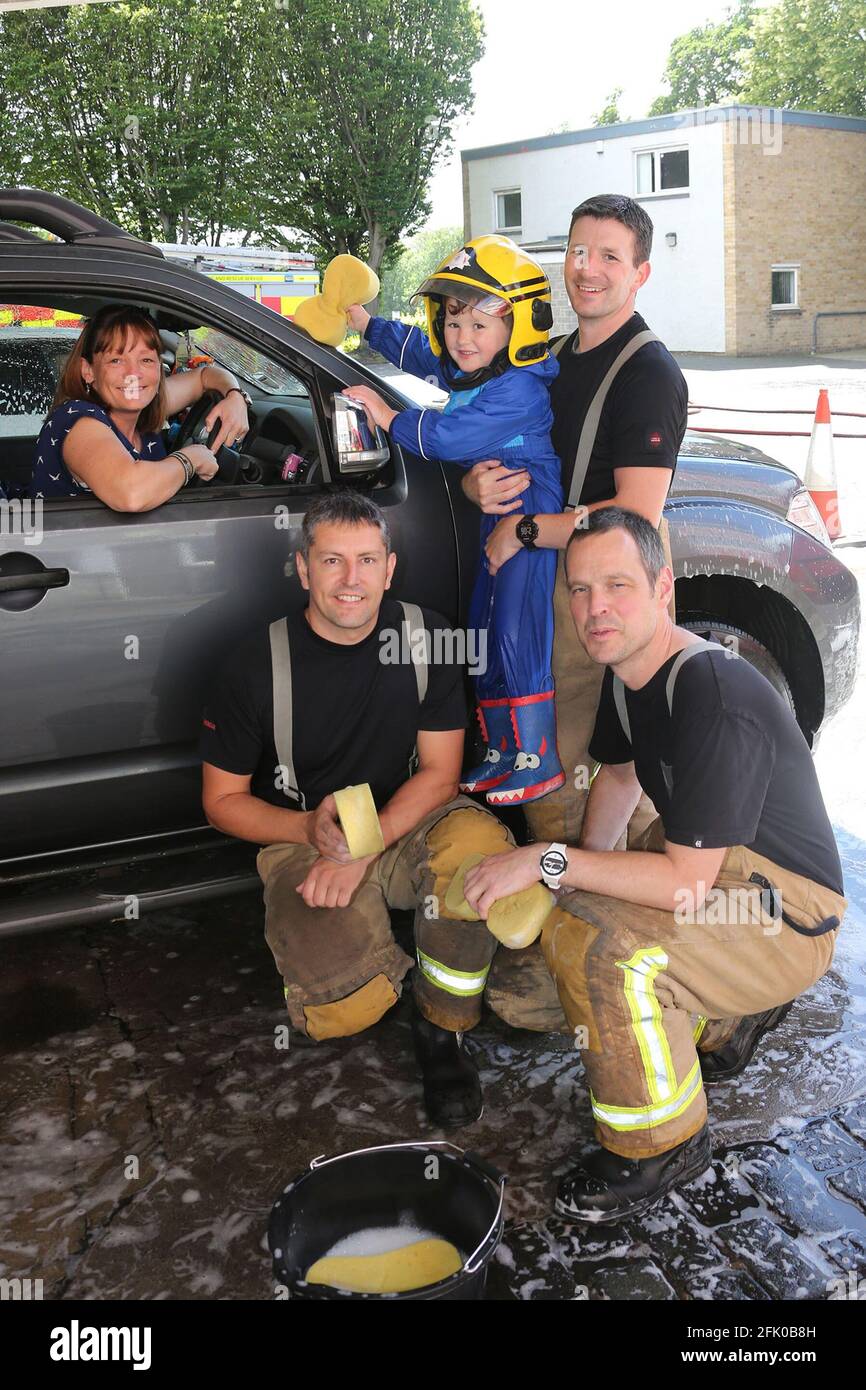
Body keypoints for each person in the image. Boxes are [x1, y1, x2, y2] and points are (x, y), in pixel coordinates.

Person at [464, 507, 847, 1220]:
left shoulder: (711, 693)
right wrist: (574, 876)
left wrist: (551, 864)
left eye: (616, 585)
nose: (595, 608)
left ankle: (660, 1146)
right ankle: (731, 1018)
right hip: (725, 873)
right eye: (579, 589)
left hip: (786, 912)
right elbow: (617, 778)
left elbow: (682, 885)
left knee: (606, 952)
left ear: (662, 587)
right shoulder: (631, 670)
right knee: (541, 975)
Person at [199, 490, 523, 1128]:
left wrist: (365, 844)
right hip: (304, 836)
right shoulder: (252, 663)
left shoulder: (428, 639)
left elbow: (440, 774)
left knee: (479, 863)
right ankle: (384, 956)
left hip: (409, 818)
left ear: (390, 568)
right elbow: (221, 802)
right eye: (332, 562)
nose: (352, 581)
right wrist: (310, 831)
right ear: (303, 568)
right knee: (344, 1012)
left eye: (367, 561)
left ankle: (442, 1026)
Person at [463, 195, 689, 844]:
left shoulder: (649, 373)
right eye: (577, 251)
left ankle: (586, 917)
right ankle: (584, 903)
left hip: (600, 586)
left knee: (582, 772)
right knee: (567, 769)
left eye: (609, 256)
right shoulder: (554, 358)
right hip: (544, 577)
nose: (587, 268)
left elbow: (636, 518)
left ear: (640, 273)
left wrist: (526, 530)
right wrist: (480, 483)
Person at [341, 235, 565, 807]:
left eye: (480, 325)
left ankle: (537, 760)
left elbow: (445, 437)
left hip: (528, 511)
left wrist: (386, 412)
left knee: (518, 633)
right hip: (495, 518)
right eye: (454, 321)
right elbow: (420, 352)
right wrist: (367, 324)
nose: (462, 339)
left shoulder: (518, 389)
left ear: (519, 329)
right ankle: (499, 749)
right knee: (484, 628)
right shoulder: (475, 368)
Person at [28, 304, 250, 509]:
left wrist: (234, 397)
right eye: (116, 360)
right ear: (88, 370)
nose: (133, 374)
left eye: (146, 360)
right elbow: (131, 493)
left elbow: (205, 375)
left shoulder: (143, 403)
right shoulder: (79, 422)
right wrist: (191, 459)